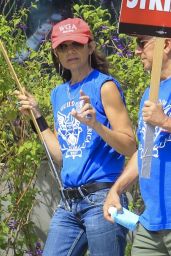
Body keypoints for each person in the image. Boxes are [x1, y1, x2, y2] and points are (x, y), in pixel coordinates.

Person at [15, 18, 136, 256]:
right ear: (56, 53)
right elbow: (61, 154)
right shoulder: (58, 93)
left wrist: (96, 125)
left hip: (103, 197)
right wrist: (37, 117)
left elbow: (130, 146)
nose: (70, 51)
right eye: (63, 46)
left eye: (76, 44)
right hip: (68, 203)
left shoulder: (104, 86)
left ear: (90, 47)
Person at [103, 35, 171, 256]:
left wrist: (165, 122)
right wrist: (116, 189)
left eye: (142, 43)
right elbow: (145, 152)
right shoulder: (151, 94)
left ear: (166, 45)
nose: (136, 51)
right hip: (151, 223)